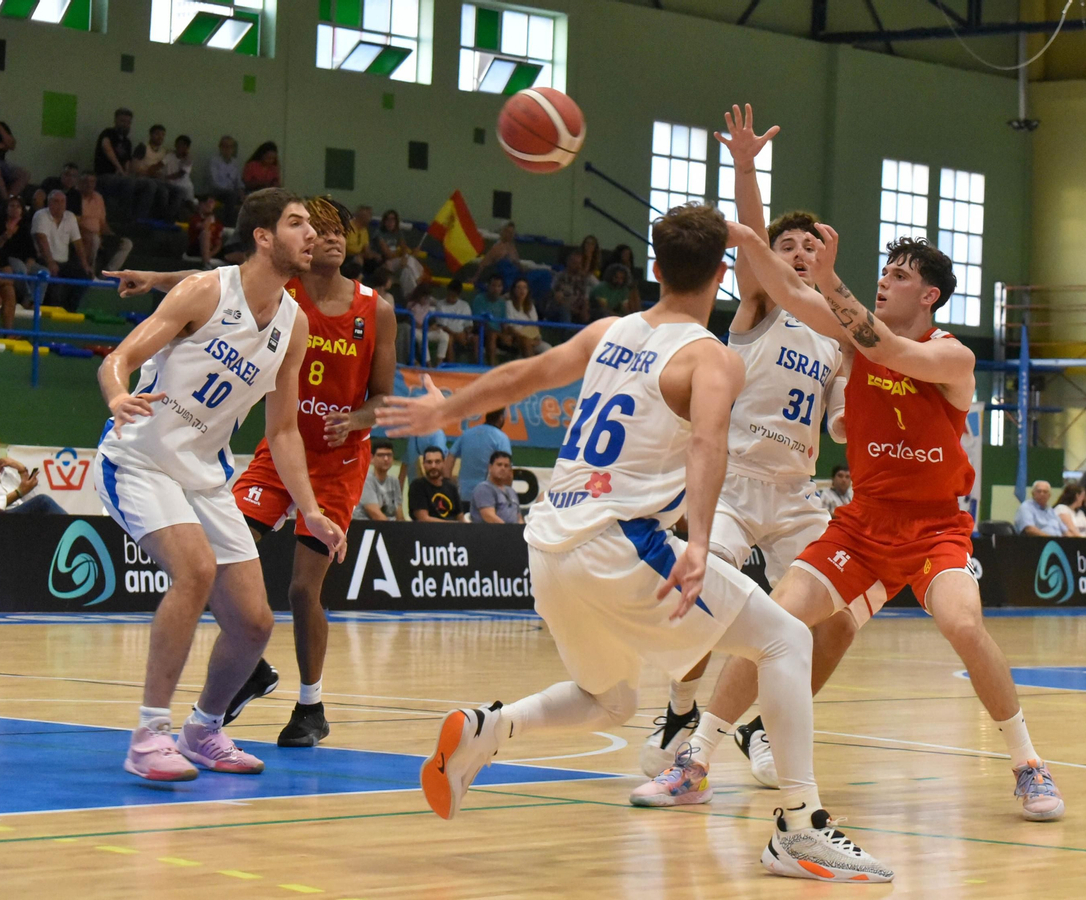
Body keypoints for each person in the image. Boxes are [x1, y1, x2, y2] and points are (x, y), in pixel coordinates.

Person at [376, 201, 891, 883]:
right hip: (621, 542)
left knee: (609, 699)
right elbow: (708, 443)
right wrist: (701, 541)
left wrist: (442, 410)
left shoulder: (608, 329)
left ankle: (488, 729)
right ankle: (799, 828)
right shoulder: (710, 357)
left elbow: (526, 374)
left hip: (550, 542)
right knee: (786, 640)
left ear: (654, 269)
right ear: (723, 275)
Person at [700, 157, 1064, 823]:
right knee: (778, 618)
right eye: (885, 272)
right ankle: (692, 757)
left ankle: (1029, 765)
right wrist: (751, 230)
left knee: (962, 623)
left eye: (898, 276)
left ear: (928, 296)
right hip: (861, 523)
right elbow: (787, 291)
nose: (885, 281)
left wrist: (831, 278)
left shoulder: (953, 357)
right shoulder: (846, 335)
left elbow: (890, 351)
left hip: (934, 528)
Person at [109, 196, 397, 749]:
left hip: (337, 460)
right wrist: (155, 278)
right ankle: (246, 667)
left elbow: (383, 397)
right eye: (315, 227)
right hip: (278, 447)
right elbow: (221, 280)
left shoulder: (373, 308)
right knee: (218, 565)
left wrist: (356, 418)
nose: (326, 237)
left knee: (300, 589)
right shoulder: (281, 290)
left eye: (336, 231)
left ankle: (310, 705)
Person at [633, 108, 850, 785]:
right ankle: (679, 707)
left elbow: (842, 423)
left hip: (796, 493)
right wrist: (747, 166)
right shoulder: (762, 305)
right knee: (704, 598)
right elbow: (753, 234)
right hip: (735, 480)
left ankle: (759, 723)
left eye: (811, 247)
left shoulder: (837, 335)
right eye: (788, 246)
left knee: (837, 622)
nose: (800, 253)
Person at [0, 430, 65, 514]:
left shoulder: (7, 470)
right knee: (43, 501)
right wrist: (18, 493)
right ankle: (75, 527)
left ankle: (72, 528)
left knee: (43, 507)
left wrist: (21, 469)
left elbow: (30, 499)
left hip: (20, 514)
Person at [32, 190, 94, 312]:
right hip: (43, 260)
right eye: (56, 201)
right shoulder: (41, 215)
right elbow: (41, 240)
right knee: (52, 277)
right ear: (49, 203)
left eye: (62, 201)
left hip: (63, 262)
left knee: (85, 276)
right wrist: (50, 262)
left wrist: (85, 265)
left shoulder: (70, 217)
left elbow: (78, 243)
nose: (59, 204)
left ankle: (70, 309)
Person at [95, 108, 157, 221]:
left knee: (150, 185)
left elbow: (128, 162)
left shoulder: (127, 142)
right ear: (115, 121)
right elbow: (107, 148)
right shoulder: (108, 133)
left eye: (128, 122)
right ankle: (124, 218)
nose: (125, 124)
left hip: (121, 177)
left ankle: (140, 219)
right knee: (128, 182)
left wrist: (127, 173)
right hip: (104, 175)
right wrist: (119, 169)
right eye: (122, 121)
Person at [78, 173, 133, 275]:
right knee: (95, 239)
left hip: (99, 234)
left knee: (126, 243)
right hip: (83, 235)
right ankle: (91, 274)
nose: (89, 185)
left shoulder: (98, 197)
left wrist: (111, 235)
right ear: (80, 183)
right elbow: (75, 223)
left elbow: (102, 222)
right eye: (86, 182)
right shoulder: (75, 198)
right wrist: (93, 235)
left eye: (92, 182)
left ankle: (108, 274)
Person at [450, 408, 511, 494]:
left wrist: (447, 483)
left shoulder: (467, 434)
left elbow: (450, 456)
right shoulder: (501, 438)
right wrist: (507, 495)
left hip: (463, 493)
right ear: (501, 418)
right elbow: (506, 469)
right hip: (487, 496)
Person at [408, 446, 462, 522]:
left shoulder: (451, 487)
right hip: (427, 532)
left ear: (443, 463)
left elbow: (460, 517)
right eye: (429, 462)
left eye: (437, 462)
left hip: (453, 532)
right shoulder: (417, 486)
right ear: (424, 464)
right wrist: (452, 525)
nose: (433, 466)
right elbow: (423, 519)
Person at [353, 439, 403, 521]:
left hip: (389, 527)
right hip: (365, 526)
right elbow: (375, 514)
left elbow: (399, 513)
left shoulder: (394, 481)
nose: (386, 459)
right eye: (381, 455)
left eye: (389, 455)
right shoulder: (366, 480)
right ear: (371, 458)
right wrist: (394, 531)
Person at [470, 451, 520, 524]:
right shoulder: (483, 489)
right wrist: (509, 531)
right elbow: (489, 516)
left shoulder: (512, 491)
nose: (503, 468)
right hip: (490, 532)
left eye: (506, 466)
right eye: (499, 465)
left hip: (513, 532)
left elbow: (519, 517)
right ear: (490, 467)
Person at [504, 277, 548, 357]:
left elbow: (535, 325)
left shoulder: (531, 306)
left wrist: (537, 338)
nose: (522, 290)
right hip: (517, 337)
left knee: (548, 349)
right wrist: (525, 338)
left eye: (524, 287)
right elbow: (510, 326)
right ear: (514, 290)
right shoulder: (509, 304)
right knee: (526, 342)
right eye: (519, 287)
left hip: (533, 337)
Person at [435, 277, 475, 363]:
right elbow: (442, 326)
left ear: (458, 295)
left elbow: (469, 325)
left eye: (453, 296)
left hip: (462, 333)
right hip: (448, 333)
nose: (450, 298)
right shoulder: (440, 305)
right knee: (449, 339)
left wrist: (467, 333)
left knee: (476, 339)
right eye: (449, 295)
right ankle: (451, 366)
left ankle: (478, 367)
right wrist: (455, 335)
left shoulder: (465, 305)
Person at [473, 272, 509, 365]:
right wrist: (497, 333)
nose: (496, 289)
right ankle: (490, 367)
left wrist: (505, 335)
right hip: (482, 332)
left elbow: (504, 323)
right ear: (488, 286)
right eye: (493, 285)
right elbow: (477, 322)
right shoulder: (479, 299)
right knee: (491, 335)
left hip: (498, 334)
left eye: (499, 286)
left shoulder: (502, 303)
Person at [208, 135, 245, 224]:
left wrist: (242, 194)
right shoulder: (214, 161)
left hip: (231, 192)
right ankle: (228, 224)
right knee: (231, 196)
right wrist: (230, 190)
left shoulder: (235, 163)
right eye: (225, 146)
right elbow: (214, 181)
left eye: (230, 147)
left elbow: (238, 181)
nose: (227, 149)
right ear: (220, 147)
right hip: (217, 191)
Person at [188, 195, 227, 268]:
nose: (209, 205)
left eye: (212, 203)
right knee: (205, 233)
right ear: (201, 204)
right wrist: (209, 218)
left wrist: (210, 254)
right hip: (196, 248)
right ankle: (206, 264)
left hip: (212, 250)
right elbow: (204, 227)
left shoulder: (217, 223)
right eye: (207, 203)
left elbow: (218, 242)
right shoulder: (195, 218)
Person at [165, 135, 196, 211]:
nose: (181, 147)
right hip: (169, 184)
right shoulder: (170, 155)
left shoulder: (188, 159)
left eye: (184, 145)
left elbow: (180, 174)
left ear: (187, 148)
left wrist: (165, 177)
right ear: (175, 145)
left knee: (188, 205)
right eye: (179, 144)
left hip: (184, 187)